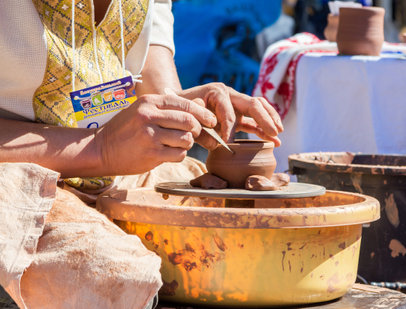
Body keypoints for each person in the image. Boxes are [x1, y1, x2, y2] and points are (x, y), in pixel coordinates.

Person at [0, 1, 282, 308]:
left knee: (242, 229)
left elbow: (150, 58)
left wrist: (180, 111)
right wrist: (99, 147)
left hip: (120, 161)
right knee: (112, 276)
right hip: (16, 173)